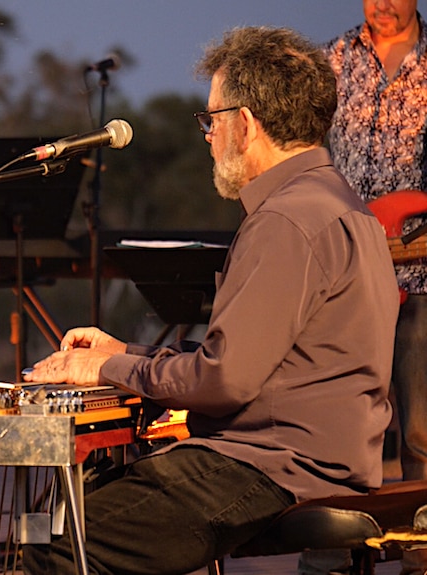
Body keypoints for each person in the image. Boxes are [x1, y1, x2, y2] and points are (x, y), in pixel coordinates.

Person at [21, 26, 400, 575]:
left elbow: (225, 382)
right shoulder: (342, 205)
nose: (208, 136)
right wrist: (126, 352)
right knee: (91, 517)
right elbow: (260, 363)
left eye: (211, 121)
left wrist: (105, 366)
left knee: (58, 545)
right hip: (312, 455)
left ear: (244, 125)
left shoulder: (285, 220)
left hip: (269, 466)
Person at [299, 3, 427, 574]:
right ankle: (334, 558)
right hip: (346, 281)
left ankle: (422, 555)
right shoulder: (331, 59)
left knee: (423, 431)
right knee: (340, 429)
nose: (381, 5)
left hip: (420, 276)